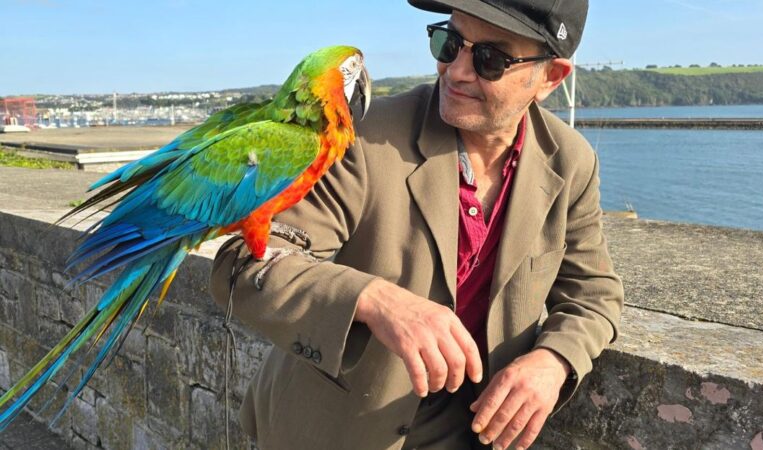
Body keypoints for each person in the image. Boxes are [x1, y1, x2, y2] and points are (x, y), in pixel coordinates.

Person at [209, 0, 623, 449]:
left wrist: (554, 359)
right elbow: (248, 267)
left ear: (551, 78)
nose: (457, 71)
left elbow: (592, 293)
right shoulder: (362, 135)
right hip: (332, 432)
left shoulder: (572, 162)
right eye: (449, 43)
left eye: (490, 59)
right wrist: (374, 299)